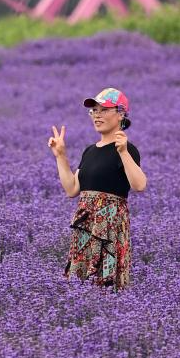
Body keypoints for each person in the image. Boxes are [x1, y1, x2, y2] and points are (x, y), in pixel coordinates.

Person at [48, 87, 147, 291]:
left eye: (104, 110)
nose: (97, 115)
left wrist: (123, 152)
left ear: (121, 114)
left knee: (106, 284)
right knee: (80, 284)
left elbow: (140, 185)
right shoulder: (90, 151)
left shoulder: (128, 149)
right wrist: (60, 156)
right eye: (94, 110)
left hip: (110, 227)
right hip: (86, 224)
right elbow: (72, 189)